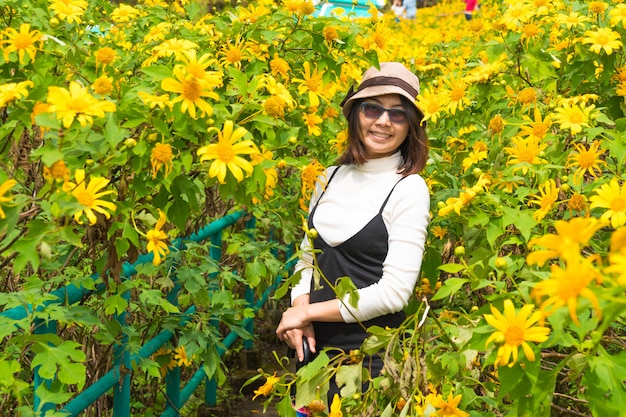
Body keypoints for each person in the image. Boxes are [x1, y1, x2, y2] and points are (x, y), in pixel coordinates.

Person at [275, 62, 431, 401]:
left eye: (398, 113)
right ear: (355, 114)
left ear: (411, 127)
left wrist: (306, 312)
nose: (383, 121)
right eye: (372, 108)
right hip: (311, 353)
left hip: (370, 363)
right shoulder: (328, 177)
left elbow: (394, 293)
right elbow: (308, 256)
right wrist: (299, 310)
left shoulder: (409, 188)